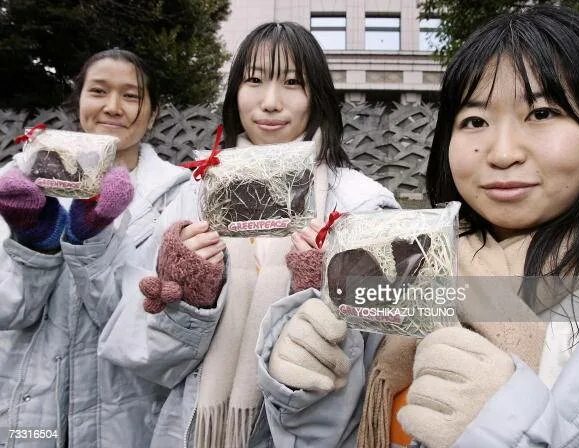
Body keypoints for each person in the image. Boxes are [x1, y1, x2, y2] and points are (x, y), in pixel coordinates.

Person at [98, 22, 398, 447]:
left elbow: (379, 363)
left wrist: (320, 296)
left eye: (293, 83)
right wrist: (189, 300)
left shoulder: (361, 206)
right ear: (235, 91)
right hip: (191, 433)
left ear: (319, 97)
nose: (270, 103)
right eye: (254, 80)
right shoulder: (193, 193)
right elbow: (138, 354)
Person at [353, 5, 579, 448]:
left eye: (541, 113)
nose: (502, 153)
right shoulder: (409, 269)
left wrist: (506, 427)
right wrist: (306, 387)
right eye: (475, 121)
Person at [0, 48, 190, 447]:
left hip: (126, 422)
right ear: (78, 101)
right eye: (98, 91)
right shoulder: (20, 185)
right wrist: (33, 241)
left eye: (132, 96)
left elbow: (159, 332)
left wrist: (93, 242)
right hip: (27, 418)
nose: (113, 107)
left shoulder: (180, 197)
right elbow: (7, 310)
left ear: (154, 113)